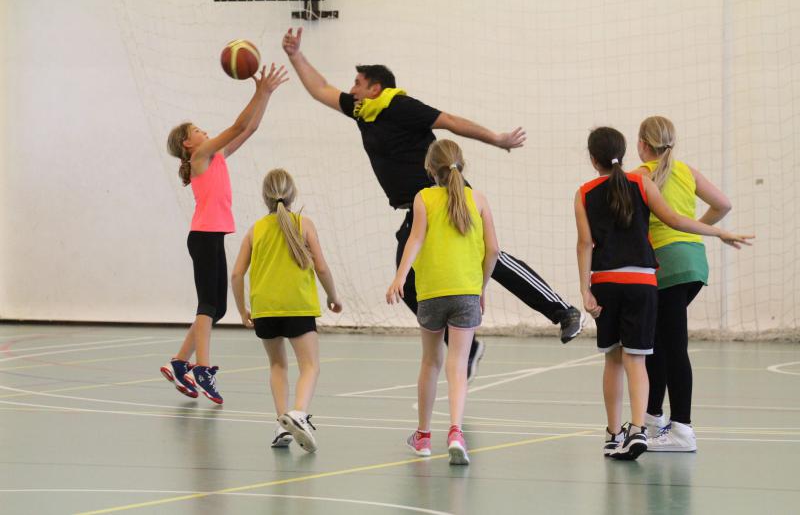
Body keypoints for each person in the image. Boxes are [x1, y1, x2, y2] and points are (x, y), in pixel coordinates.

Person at [282, 27, 585, 382]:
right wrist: (295, 55)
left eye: (358, 83)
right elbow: (320, 89)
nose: (351, 89)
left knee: (492, 257)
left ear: (376, 87)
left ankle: (563, 311)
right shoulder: (363, 111)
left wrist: (497, 139)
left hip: (447, 194)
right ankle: (466, 346)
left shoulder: (400, 106)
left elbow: (451, 122)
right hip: (419, 207)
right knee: (408, 285)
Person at [575, 127, 752, 460]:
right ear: (625, 152)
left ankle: (619, 433)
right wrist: (716, 232)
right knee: (641, 356)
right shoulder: (643, 182)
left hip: (611, 280)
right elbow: (674, 218)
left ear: (592, 158)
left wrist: (585, 289)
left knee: (618, 358)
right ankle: (642, 427)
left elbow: (585, 243)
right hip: (645, 280)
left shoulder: (585, 192)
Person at [160, 64, 289, 404]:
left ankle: (179, 363)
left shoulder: (216, 156)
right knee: (207, 305)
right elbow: (236, 126)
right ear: (188, 144)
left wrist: (266, 95)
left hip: (212, 236)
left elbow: (250, 127)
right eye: (198, 130)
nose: (205, 132)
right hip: (203, 237)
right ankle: (202, 368)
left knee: (216, 310)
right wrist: (258, 91)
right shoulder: (200, 157)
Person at [387, 139, 499, 465]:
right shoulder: (478, 199)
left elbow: (415, 239)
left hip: (432, 292)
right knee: (458, 364)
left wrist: (399, 276)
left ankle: (423, 436)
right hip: (466, 292)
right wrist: (480, 287)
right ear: (461, 165)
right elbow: (493, 250)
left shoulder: (423, 198)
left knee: (430, 362)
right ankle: (455, 433)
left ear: (429, 169)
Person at [632, 116, 733, 452]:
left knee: (672, 345)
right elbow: (723, 204)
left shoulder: (640, 175)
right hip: (694, 261)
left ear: (642, 144)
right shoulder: (687, 171)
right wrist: (693, 227)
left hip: (667, 263)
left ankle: (682, 429)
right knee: (659, 340)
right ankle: (654, 418)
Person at [231, 168, 342, 452]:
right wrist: (333, 296)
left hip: (264, 309)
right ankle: (298, 414)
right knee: (310, 366)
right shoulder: (303, 224)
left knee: (277, 365)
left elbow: (236, 274)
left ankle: (282, 425)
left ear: (264, 197)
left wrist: (243, 309)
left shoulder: (255, 229)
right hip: (297, 306)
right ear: (293, 194)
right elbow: (321, 267)